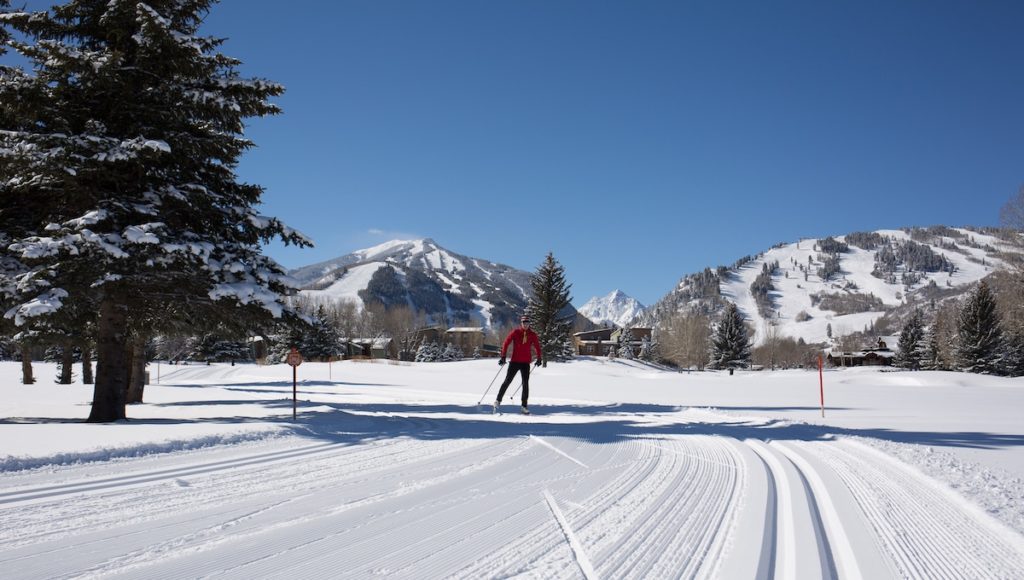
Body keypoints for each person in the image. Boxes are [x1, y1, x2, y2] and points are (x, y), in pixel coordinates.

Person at [495, 315, 543, 414]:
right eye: (524, 323)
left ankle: (524, 406)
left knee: (525, 384)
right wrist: (503, 356)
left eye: (527, 323)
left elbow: (537, 346)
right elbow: (506, 343)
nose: (526, 325)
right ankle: (498, 400)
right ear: (521, 323)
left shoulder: (532, 334)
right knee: (507, 381)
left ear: (529, 324)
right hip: (515, 361)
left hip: (525, 363)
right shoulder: (515, 332)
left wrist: (539, 358)